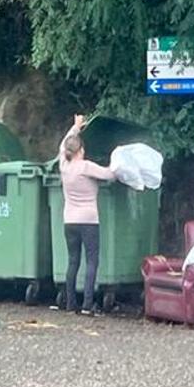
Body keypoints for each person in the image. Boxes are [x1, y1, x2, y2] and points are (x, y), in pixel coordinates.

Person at [57, 114, 116, 315]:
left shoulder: (63, 166)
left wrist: (75, 126)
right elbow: (109, 174)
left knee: (73, 261)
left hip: (69, 221)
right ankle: (87, 304)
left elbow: (62, 145)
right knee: (92, 261)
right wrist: (119, 163)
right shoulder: (86, 166)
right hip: (89, 221)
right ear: (81, 150)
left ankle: (70, 303)